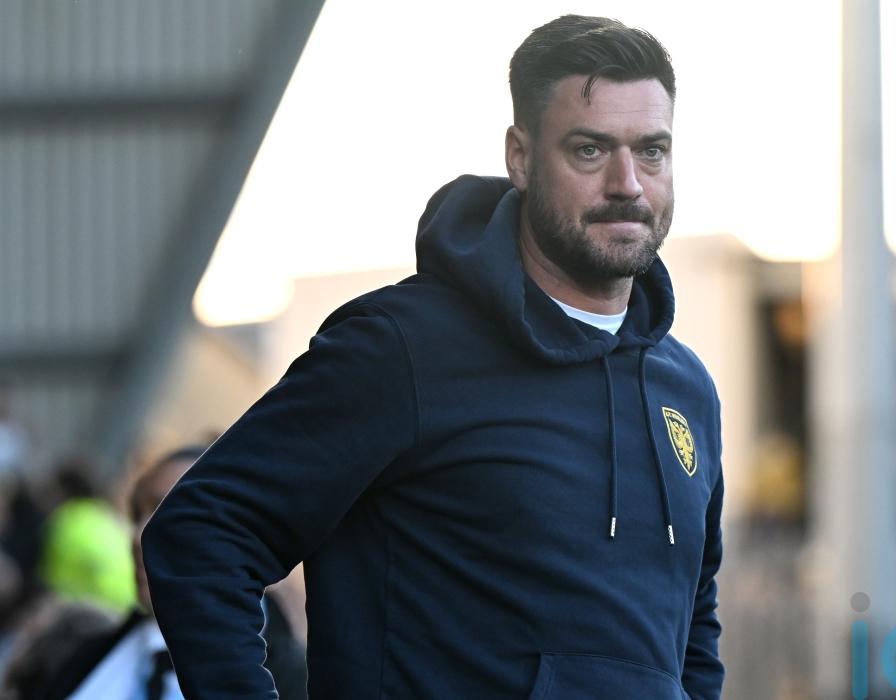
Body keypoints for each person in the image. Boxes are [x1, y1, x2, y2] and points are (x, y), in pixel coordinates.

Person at [143, 14, 725, 699]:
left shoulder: (685, 389)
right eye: (590, 150)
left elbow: (694, 628)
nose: (628, 183)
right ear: (521, 157)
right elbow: (201, 535)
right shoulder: (400, 349)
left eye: (652, 151)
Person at [26, 447, 307, 700]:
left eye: (170, 513)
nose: (138, 536)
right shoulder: (82, 650)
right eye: (136, 513)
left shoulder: (298, 683)